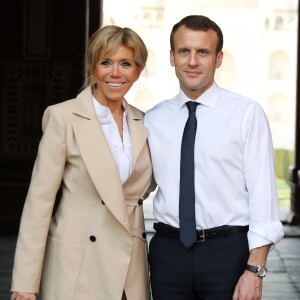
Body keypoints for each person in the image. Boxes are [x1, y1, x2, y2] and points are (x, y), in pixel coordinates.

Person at [144, 15, 284, 300]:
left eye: (203, 52)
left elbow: (263, 198)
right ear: (171, 57)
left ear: (219, 59)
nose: (192, 61)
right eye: (184, 51)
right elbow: (133, 187)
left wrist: (255, 270)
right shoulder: (153, 119)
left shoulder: (246, 114)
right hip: (167, 254)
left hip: (227, 253)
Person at [10, 25, 152, 300]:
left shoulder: (145, 122)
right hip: (78, 264)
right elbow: (39, 204)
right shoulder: (63, 117)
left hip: (128, 266)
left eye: (125, 64)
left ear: (138, 70)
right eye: (106, 62)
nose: (115, 73)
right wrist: (26, 282)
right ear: (92, 66)